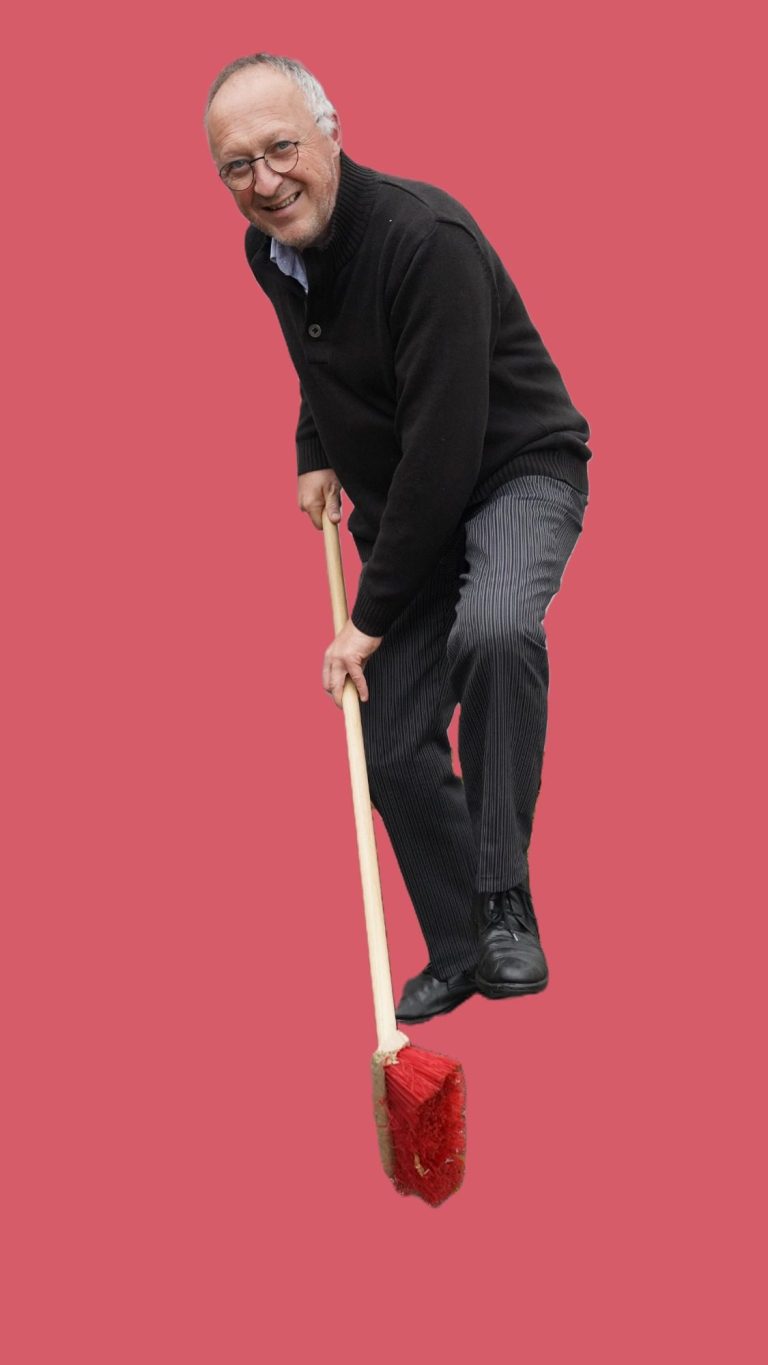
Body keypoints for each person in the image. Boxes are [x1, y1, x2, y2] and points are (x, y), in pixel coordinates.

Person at [205, 53, 592, 1023]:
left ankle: (503, 903)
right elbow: (322, 355)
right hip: (413, 502)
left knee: (494, 629)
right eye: (237, 166)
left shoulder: (426, 241)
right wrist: (313, 447)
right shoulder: (269, 250)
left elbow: (445, 455)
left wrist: (366, 624)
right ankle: (462, 948)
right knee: (383, 745)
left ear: (331, 132)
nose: (265, 181)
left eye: (281, 148)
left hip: (510, 470)